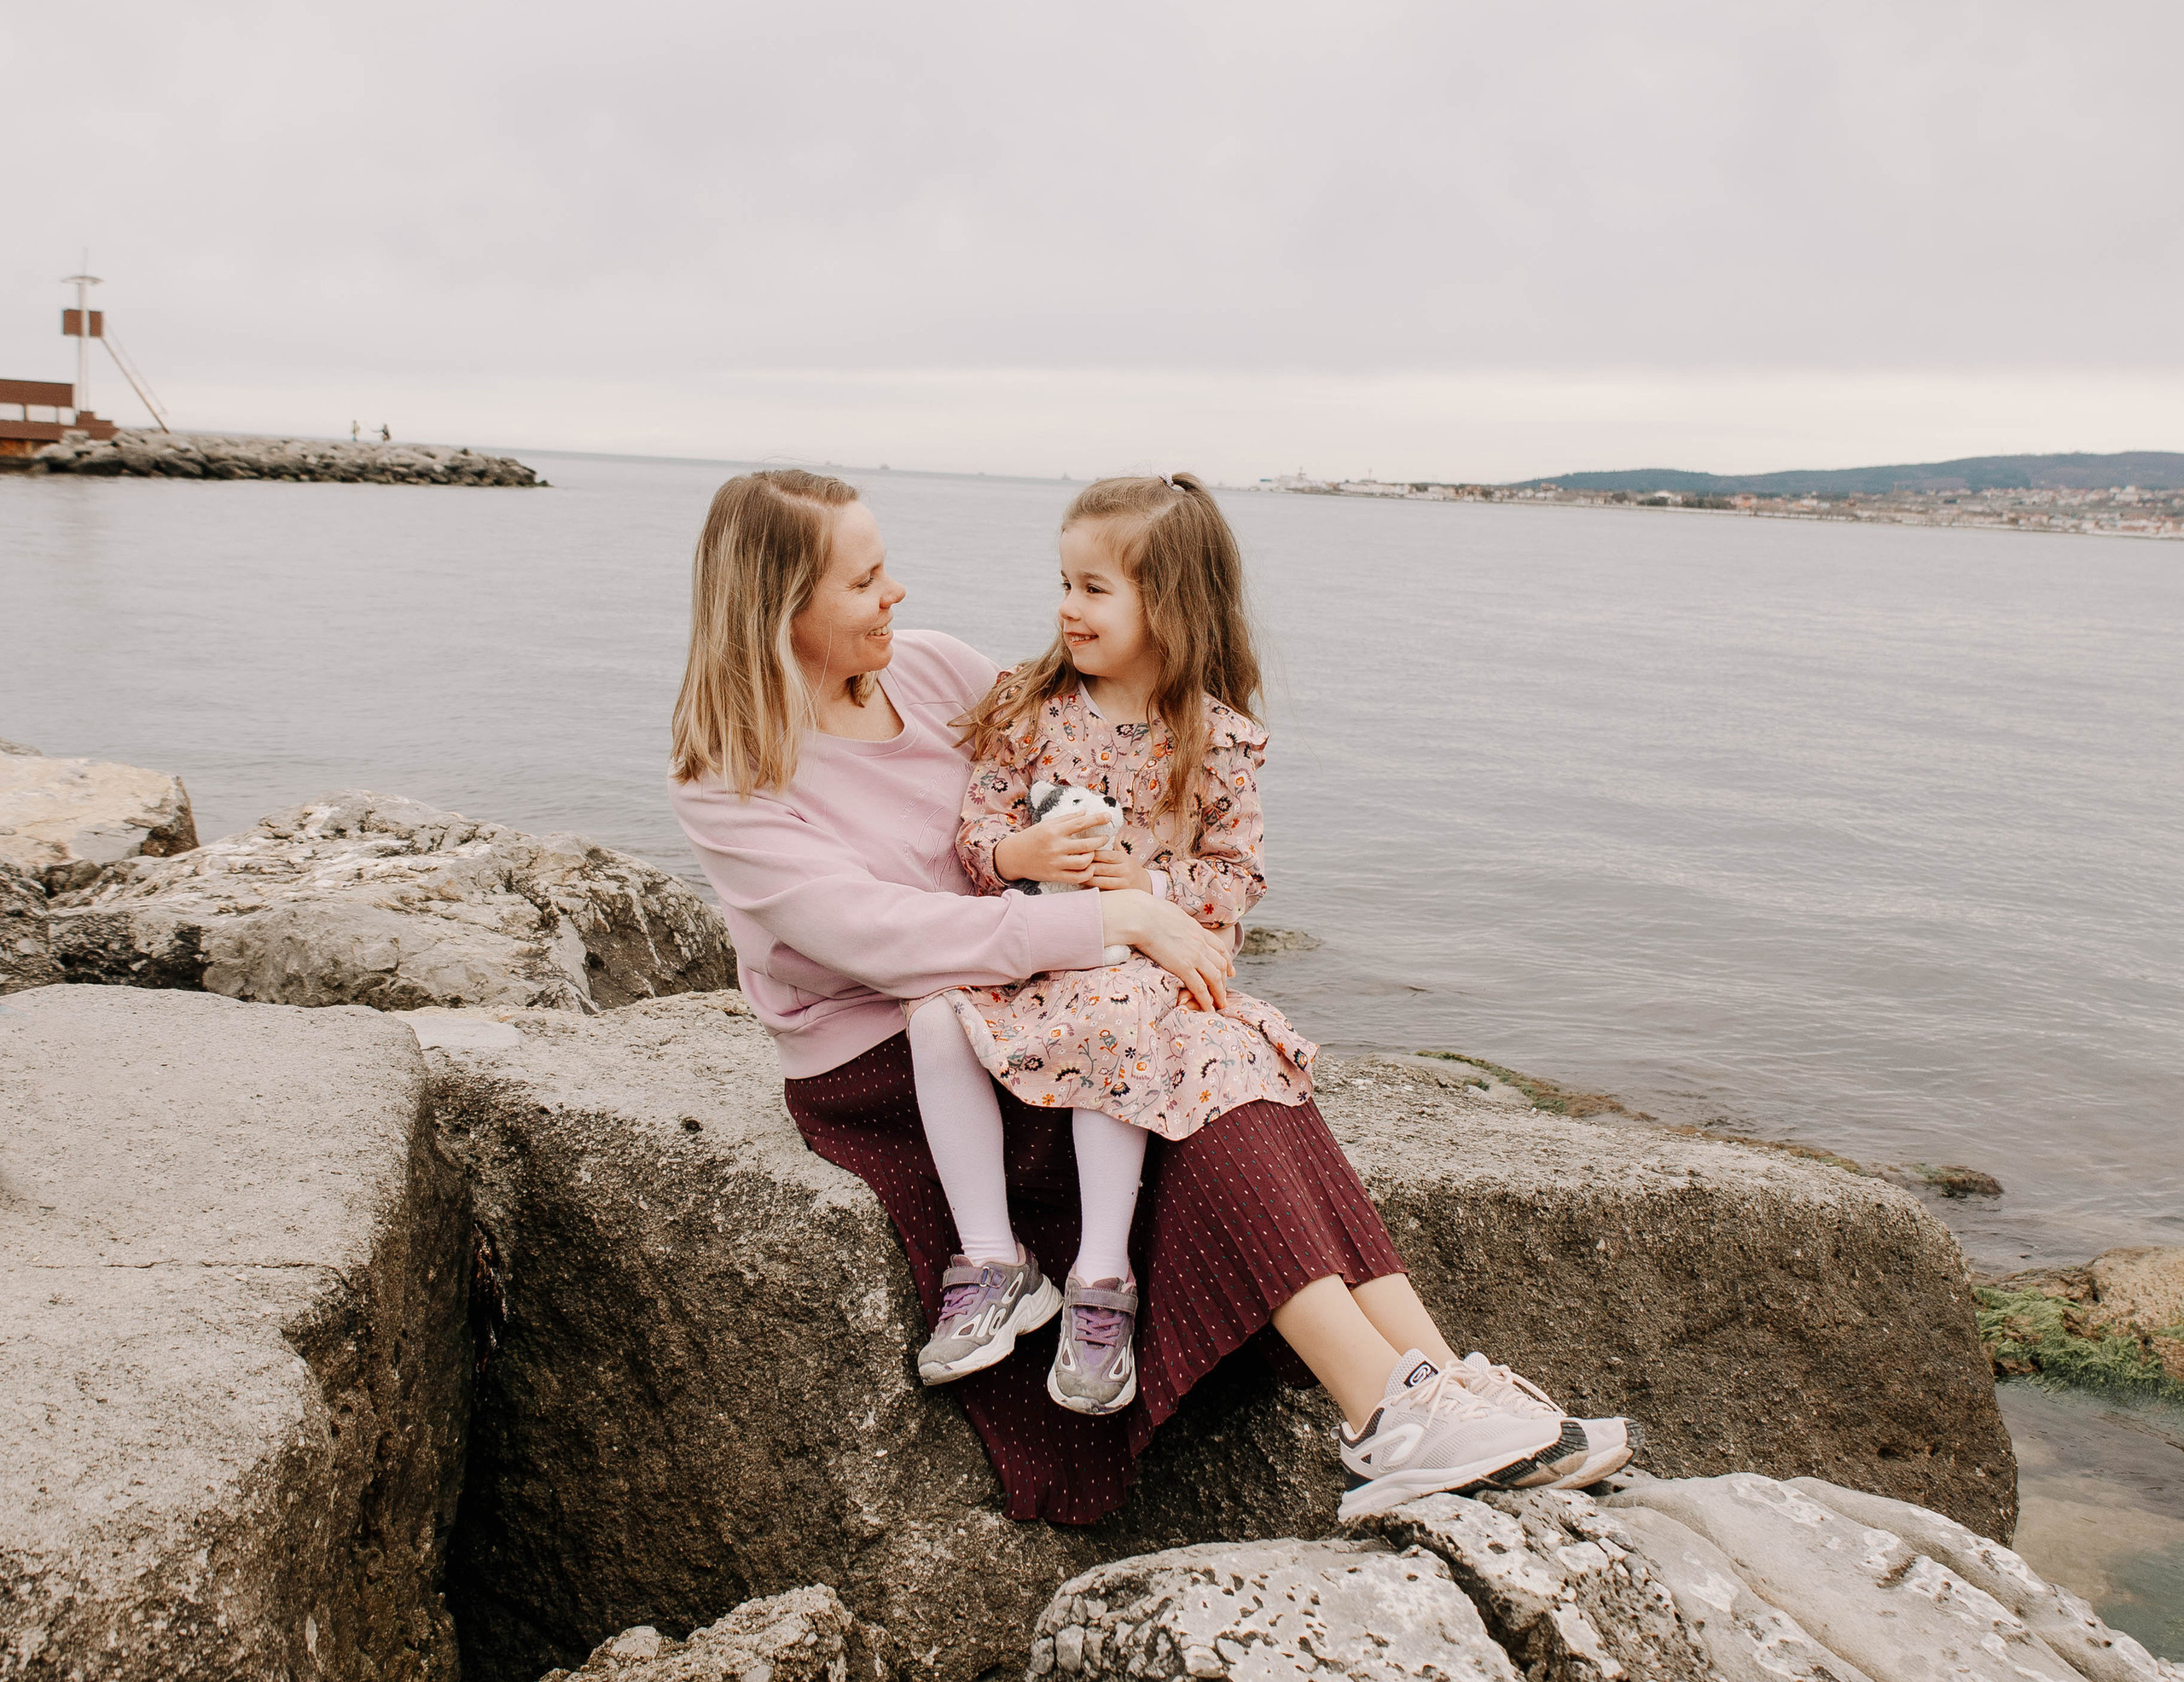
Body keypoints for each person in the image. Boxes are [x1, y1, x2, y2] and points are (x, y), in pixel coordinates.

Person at [668, 467, 1631, 1528]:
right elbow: (881, 939)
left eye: (886, 566)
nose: (896, 593)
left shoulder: (938, 674)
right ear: (779, 608)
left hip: (1046, 996)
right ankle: (1380, 1412)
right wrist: (1112, 926)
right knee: (1182, 1089)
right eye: (866, 580)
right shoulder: (728, 771)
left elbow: (1108, 758)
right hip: (894, 1056)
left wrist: (1160, 900)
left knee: (1224, 1055)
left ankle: (1440, 1380)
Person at [909, 474, 1319, 1421]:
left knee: (1115, 1015)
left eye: (1094, 588)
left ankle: (1101, 1280)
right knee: (932, 1015)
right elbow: (976, 837)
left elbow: (1237, 875)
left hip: (1135, 970)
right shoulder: (1032, 706)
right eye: (1063, 582)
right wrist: (1018, 851)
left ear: (1169, 605)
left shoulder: (1211, 739)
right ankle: (992, 1260)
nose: (1066, 607)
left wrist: (1148, 888)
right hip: (1032, 944)